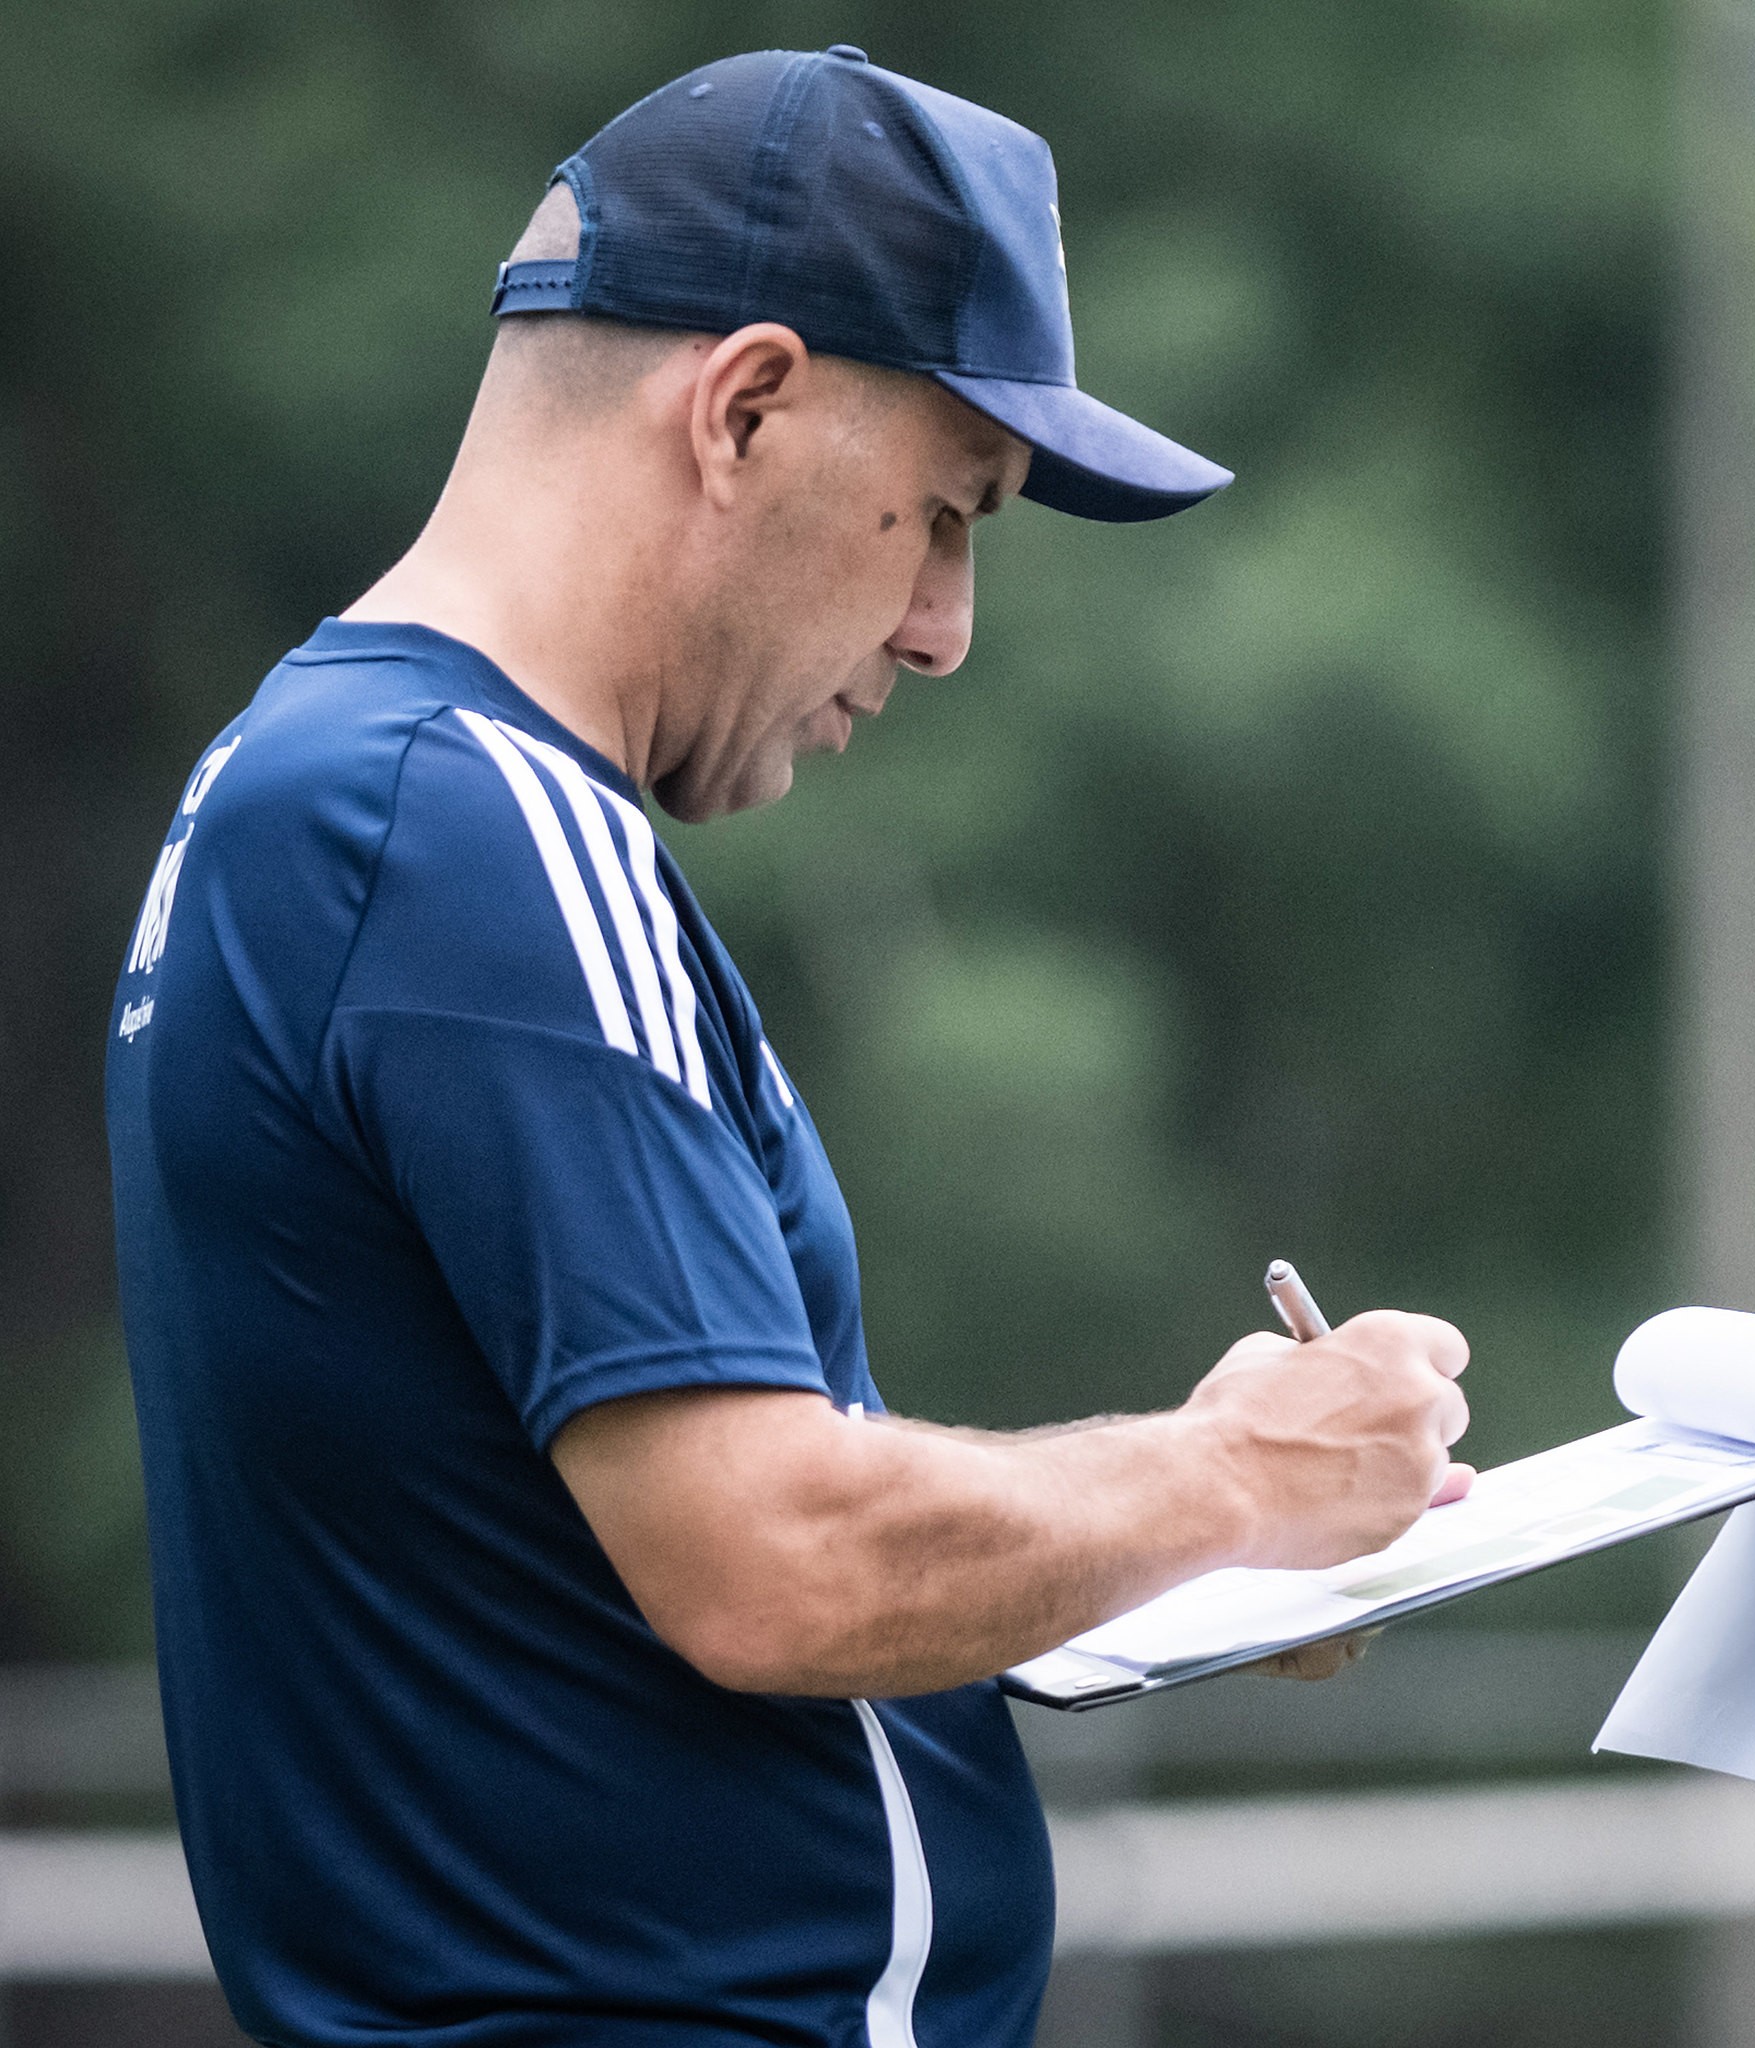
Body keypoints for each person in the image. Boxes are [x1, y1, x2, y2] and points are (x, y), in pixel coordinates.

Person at [105, 45, 1473, 2048]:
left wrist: (1185, 1540)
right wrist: (1228, 1472)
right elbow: (770, 1565)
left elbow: (573, 1589)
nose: (945, 625)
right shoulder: (469, 831)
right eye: (942, 512)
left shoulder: (337, 789)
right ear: (742, 405)